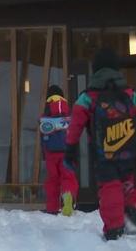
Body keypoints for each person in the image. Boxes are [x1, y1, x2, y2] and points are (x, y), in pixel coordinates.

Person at [64, 48, 136, 241]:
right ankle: (131, 212)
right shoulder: (130, 93)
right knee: (129, 181)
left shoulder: (88, 96)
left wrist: (70, 150)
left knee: (110, 187)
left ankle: (114, 227)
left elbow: (75, 126)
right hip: (128, 150)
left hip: (103, 153)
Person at [39, 85, 79, 216]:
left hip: (50, 153)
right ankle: (68, 195)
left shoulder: (46, 109)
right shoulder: (67, 109)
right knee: (68, 177)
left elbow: (43, 132)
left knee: (52, 180)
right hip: (66, 151)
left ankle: (52, 208)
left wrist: (44, 153)